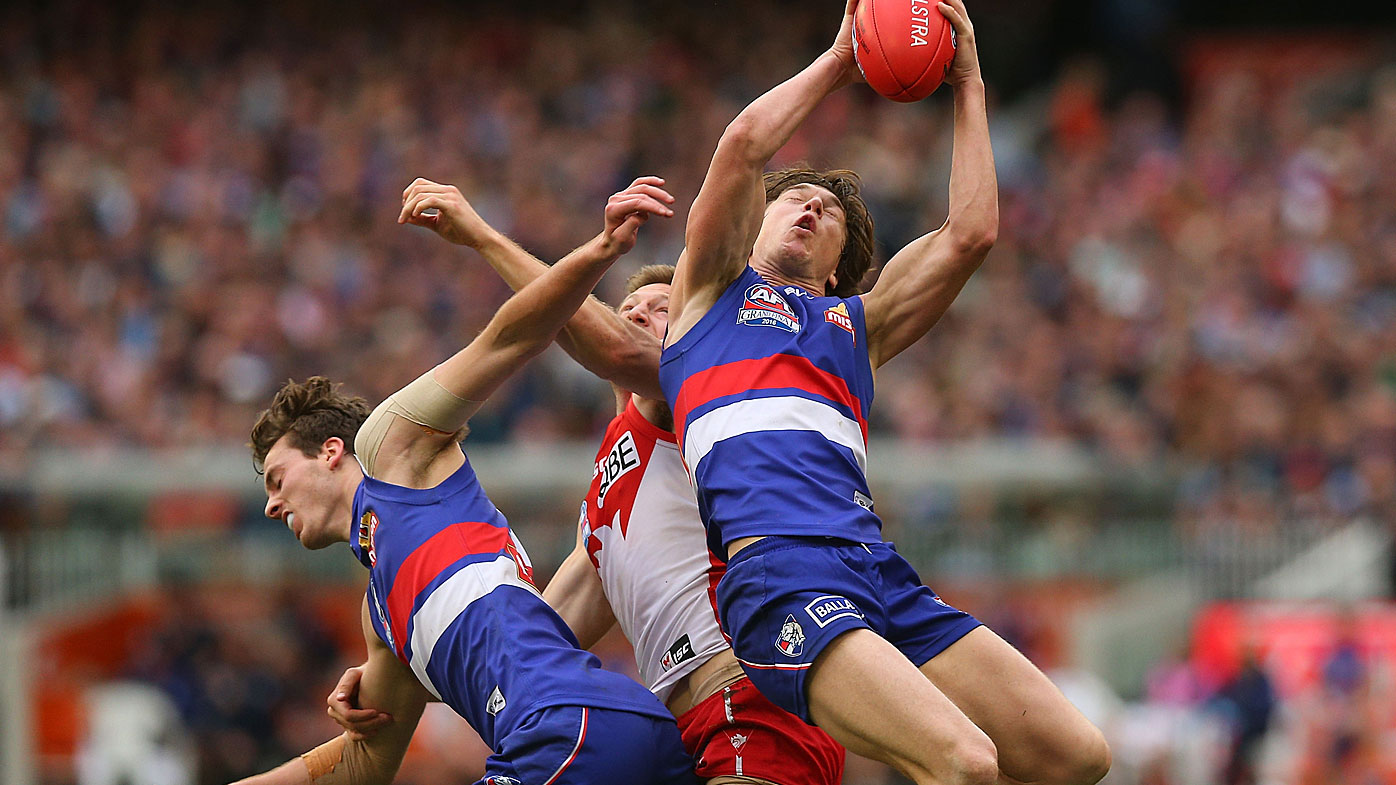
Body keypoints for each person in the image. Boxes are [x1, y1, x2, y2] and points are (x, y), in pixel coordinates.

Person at [658, 2, 1111, 785]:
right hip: (778, 573)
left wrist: (969, 82)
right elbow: (741, 146)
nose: (809, 205)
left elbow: (970, 235)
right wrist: (840, 60)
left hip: (875, 567)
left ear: (838, 268)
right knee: (965, 761)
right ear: (752, 225)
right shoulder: (705, 297)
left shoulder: (854, 328)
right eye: (793, 198)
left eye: (829, 211)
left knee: (1076, 755)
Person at [328, 179, 845, 785]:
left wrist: (482, 236)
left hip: (755, 691)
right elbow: (529, 639)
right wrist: (393, 669)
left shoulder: (705, 389)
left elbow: (581, 328)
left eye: (663, 308)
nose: (641, 316)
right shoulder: (604, 495)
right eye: (634, 310)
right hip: (690, 725)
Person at [234, 178, 696, 785]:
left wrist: (599, 252)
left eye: (276, 478)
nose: (270, 505)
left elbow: (510, 336)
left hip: (562, 729)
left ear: (330, 452)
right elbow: (358, 769)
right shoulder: (383, 620)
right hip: (614, 730)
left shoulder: (392, 450)